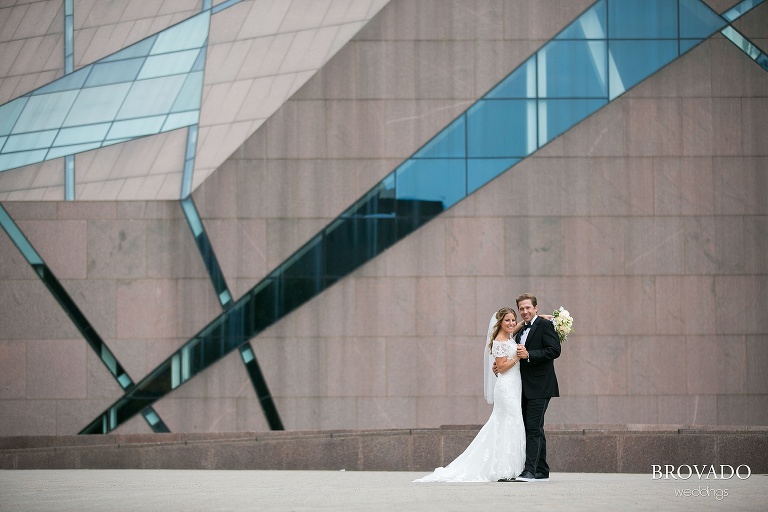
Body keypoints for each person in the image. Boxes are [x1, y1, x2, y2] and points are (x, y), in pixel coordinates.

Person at [414, 307, 526, 482]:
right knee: (509, 423)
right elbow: (502, 368)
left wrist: (538, 317)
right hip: (506, 388)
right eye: (507, 320)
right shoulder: (499, 341)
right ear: (500, 323)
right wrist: (518, 357)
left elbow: (519, 325)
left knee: (508, 424)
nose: (511, 323)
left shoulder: (509, 336)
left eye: (513, 320)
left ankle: (509, 467)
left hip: (514, 386)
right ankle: (504, 469)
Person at [498, 293, 561, 482]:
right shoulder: (519, 330)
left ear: (536, 308)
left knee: (532, 428)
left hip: (541, 386)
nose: (525, 311)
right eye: (522, 309)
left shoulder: (545, 325)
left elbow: (554, 350)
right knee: (535, 428)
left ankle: (529, 471)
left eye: (528, 308)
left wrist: (530, 354)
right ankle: (542, 470)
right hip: (523, 387)